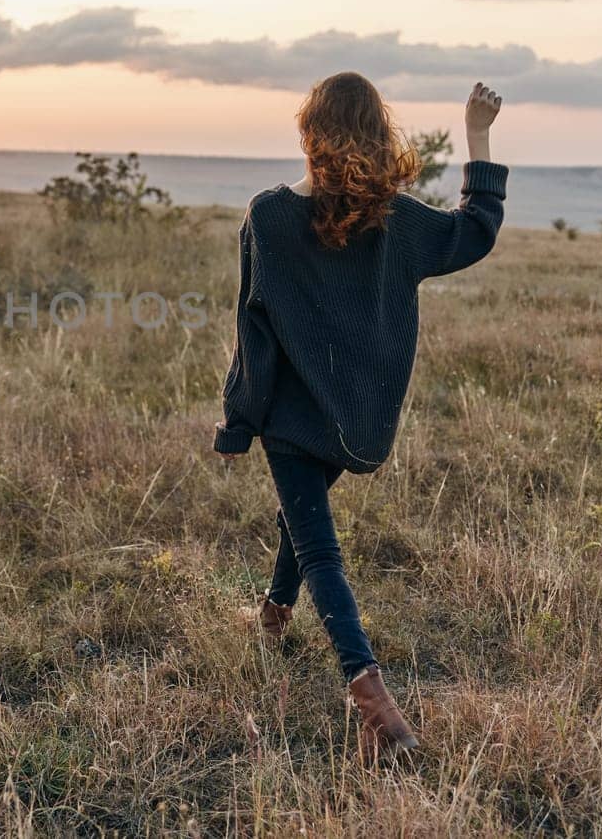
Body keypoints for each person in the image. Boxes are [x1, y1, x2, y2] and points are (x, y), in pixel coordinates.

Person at [215, 74, 506, 755]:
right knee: (305, 514)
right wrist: (479, 133)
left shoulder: (268, 215)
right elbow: (477, 230)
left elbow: (252, 332)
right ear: (378, 135)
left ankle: (373, 701)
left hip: (290, 414)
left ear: (309, 133)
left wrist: (237, 422)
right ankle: (273, 614)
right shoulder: (398, 222)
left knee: (319, 545)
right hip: (355, 416)